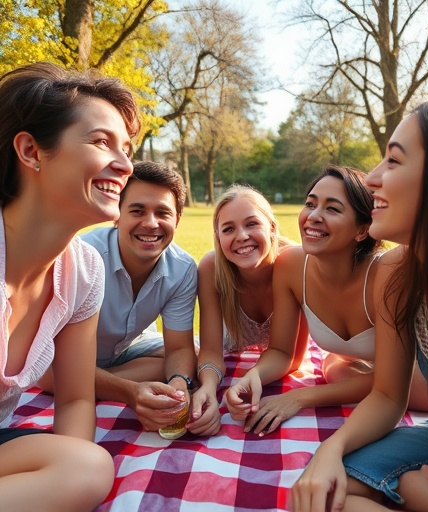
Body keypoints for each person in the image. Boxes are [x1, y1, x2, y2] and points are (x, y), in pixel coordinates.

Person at [290, 97, 428, 512]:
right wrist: (330, 450)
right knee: (328, 495)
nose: (372, 178)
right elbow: (390, 394)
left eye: (393, 161)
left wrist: (422, 491)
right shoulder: (400, 273)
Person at [0, 61, 140, 511]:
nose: (125, 165)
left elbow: (78, 397)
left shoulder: (83, 271)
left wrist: (66, 488)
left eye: (127, 148)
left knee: (88, 466)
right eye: (102, 142)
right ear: (31, 151)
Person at [224, 166, 428, 436]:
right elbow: (282, 352)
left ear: (362, 229)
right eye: (310, 204)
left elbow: (390, 387)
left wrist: (298, 397)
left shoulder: (386, 272)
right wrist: (254, 375)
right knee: (334, 368)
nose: (313, 216)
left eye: (332, 209)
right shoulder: (290, 264)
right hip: (371, 372)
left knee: (338, 370)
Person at [80, 161, 197, 433]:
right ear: (117, 215)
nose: (151, 223)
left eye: (163, 213)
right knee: (55, 373)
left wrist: (179, 384)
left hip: (128, 351)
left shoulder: (183, 268)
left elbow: (179, 348)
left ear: (177, 220)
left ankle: (91, 383)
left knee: (193, 356)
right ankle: (88, 382)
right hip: (69, 358)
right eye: (137, 210)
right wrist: (131, 392)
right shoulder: (84, 257)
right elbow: (54, 366)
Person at [188, 184, 309, 436]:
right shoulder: (211, 268)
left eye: (252, 224)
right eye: (229, 229)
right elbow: (210, 350)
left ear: (272, 228)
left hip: (277, 364)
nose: (241, 236)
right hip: (229, 353)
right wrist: (209, 387)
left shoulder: (295, 264)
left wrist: (253, 375)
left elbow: (293, 357)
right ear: (218, 237)